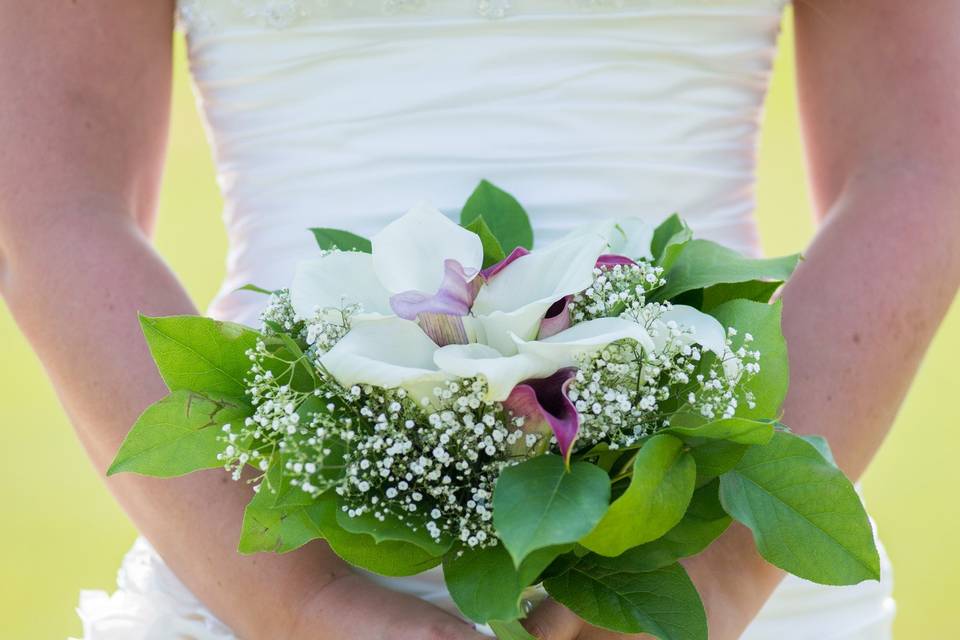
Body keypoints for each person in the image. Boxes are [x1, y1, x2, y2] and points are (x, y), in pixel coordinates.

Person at [1, 1, 957, 638]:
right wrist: (300, 609)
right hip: (257, 544)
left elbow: (925, 154)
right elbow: (44, 197)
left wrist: (715, 581)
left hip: (710, 540)